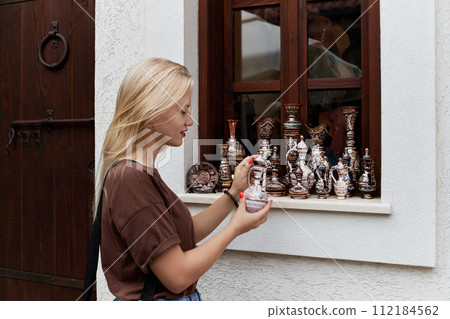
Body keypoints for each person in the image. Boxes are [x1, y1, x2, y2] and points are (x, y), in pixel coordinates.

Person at [95, 57, 272, 301]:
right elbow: (177, 276)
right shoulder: (130, 178)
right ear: (151, 109)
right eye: (182, 110)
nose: (190, 120)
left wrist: (233, 192)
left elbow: (184, 233)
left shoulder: (140, 172)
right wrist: (235, 228)